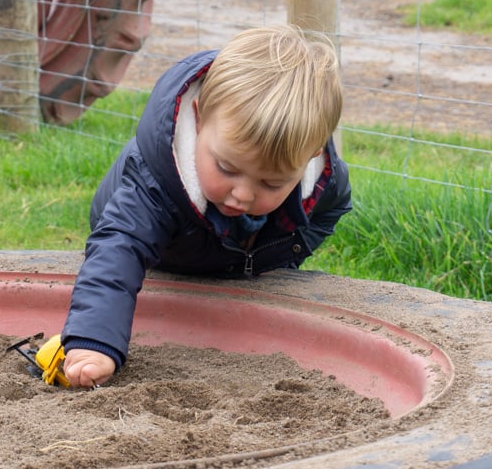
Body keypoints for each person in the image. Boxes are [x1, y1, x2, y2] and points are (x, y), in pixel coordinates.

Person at [61, 24, 352, 388]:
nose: (243, 195)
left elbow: (325, 214)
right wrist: (94, 343)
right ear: (198, 121)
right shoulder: (152, 184)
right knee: (131, 250)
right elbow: (118, 251)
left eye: (271, 183)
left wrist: (276, 259)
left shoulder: (324, 180)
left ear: (308, 158)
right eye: (227, 169)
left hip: (226, 240)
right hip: (150, 233)